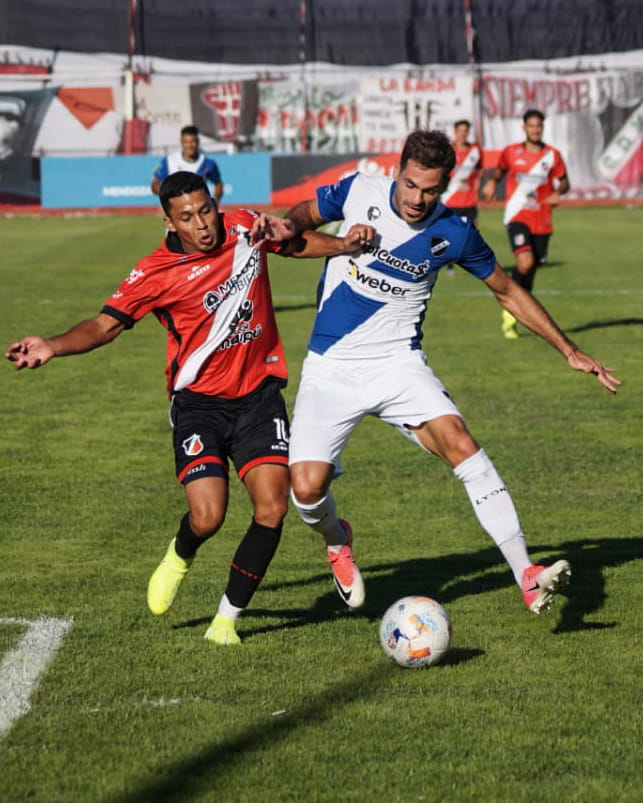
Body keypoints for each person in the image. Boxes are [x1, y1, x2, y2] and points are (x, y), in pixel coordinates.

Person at [252, 129, 619, 617]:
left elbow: (507, 290)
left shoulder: (456, 232)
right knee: (306, 490)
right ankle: (338, 538)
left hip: (399, 364)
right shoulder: (359, 189)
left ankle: (526, 574)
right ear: (398, 171)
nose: (418, 199)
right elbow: (304, 214)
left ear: (444, 186)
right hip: (331, 367)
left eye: (431, 191)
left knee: (461, 443)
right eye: (410, 185)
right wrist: (286, 225)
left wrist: (567, 348)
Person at [6, 171, 372, 646]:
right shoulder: (154, 272)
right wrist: (53, 345)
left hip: (259, 396)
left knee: (272, 506)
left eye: (206, 210)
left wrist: (343, 245)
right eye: (187, 217)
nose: (202, 224)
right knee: (208, 516)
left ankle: (227, 619)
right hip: (199, 403)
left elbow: (292, 243)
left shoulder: (244, 226)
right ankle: (180, 554)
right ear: (168, 221)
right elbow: (103, 326)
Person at [481, 109, 570, 340]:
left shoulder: (552, 155)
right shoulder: (511, 152)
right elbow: (498, 173)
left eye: (538, 126)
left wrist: (558, 192)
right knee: (525, 261)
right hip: (516, 216)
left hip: (542, 218)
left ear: (542, 128)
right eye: (531, 126)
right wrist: (491, 183)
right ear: (524, 127)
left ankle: (520, 307)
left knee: (531, 270)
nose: (535, 130)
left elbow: (565, 183)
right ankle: (510, 311)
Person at [442, 119, 483, 276]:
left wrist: (478, 182)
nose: (462, 134)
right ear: (455, 132)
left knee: (470, 233)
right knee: (451, 233)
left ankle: (470, 263)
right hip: (451, 198)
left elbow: (480, 169)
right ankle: (450, 265)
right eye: (460, 131)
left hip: (469, 199)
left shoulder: (475, 150)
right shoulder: (448, 150)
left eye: (465, 131)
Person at [151, 125, 224, 202]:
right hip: (176, 207)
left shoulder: (208, 163)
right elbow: (155, 185)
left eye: (193, 142)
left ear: (198, 141)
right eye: (186, 142)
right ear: (181, 142)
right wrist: (171, 196)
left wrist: (215, 201)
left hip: (198, 206)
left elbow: (218, 183)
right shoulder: (169, 161)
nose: (190, 146)